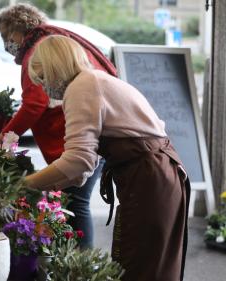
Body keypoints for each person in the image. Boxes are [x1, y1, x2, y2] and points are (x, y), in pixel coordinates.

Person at [25, 35, 190, 281]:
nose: (43, 86)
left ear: (55, 66)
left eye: (42, 77)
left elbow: (78, 161)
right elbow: (81, 171)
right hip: (159, 174)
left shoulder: (82, 87)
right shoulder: (94, 80)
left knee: (139, 267)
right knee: (154, 265)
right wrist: (48, 188)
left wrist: (26, 185)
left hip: (149, 177)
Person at [0, 3, 117, 249]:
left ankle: (79, 266)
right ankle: (73, 264)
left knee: (76, 204)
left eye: (6, 38)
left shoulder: (38, 52)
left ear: (18, 31)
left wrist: (2, 141)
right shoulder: (50, 39)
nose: (7, 45)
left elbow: (34, 104)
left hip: (79, 139)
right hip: (91, 134)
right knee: (72, 203)